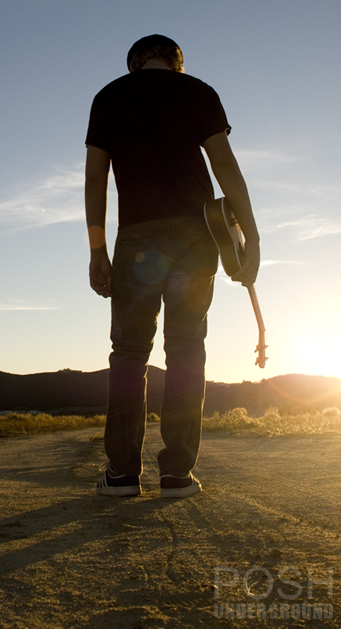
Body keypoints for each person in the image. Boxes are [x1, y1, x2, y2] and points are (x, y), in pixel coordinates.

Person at [85, 34, 260, 499]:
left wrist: (97, 250)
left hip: (138, 237)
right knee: (186, 348)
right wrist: (252, 236)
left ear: (134, 65)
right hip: (197, 234)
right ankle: (176, 474)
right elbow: (226, 166)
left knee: (128, 352)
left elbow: (95, 179)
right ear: (176, 63)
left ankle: (122, 475)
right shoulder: (198, 91)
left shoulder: (108, 97)